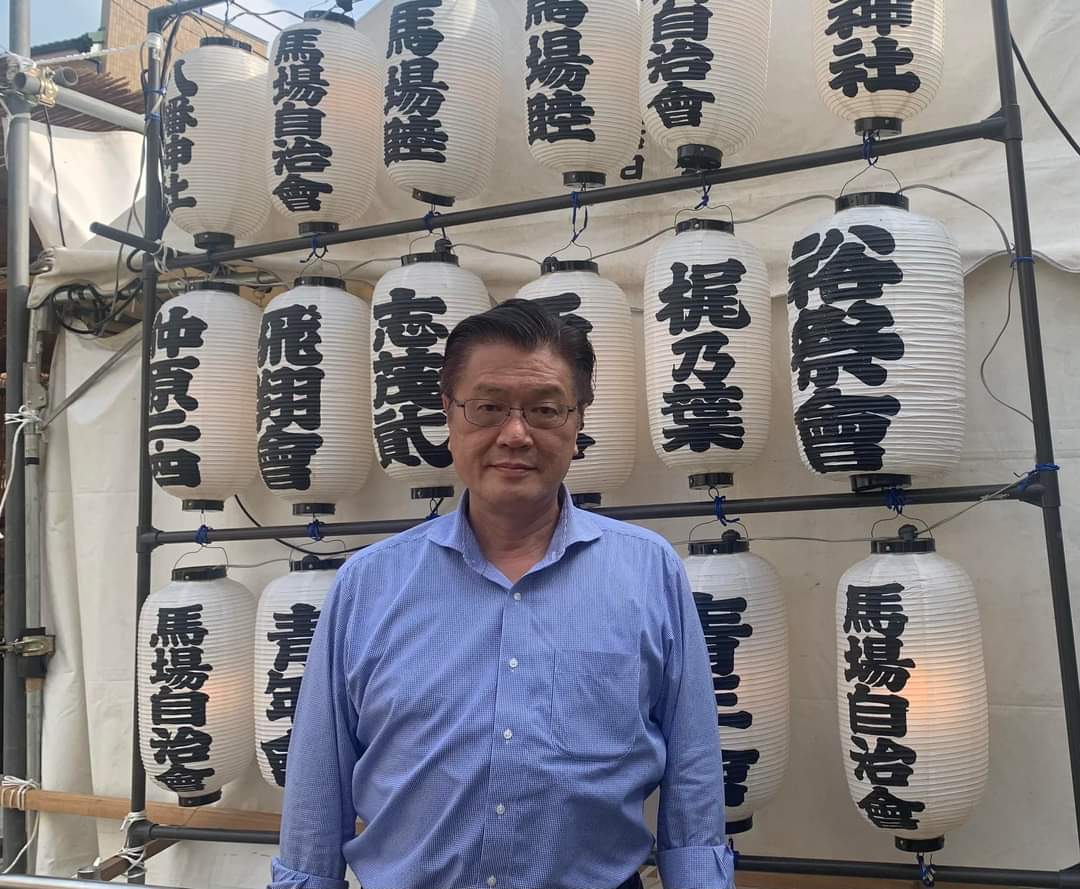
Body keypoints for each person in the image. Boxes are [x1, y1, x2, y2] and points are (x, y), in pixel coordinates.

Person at [270, 299, 733, 889]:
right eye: (488, 407)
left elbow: (693, 769)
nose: (515, 435)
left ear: (578, 420)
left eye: (545, 409)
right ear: (449, 412)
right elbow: (319, 777)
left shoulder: (649, 571)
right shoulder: (368, 583)